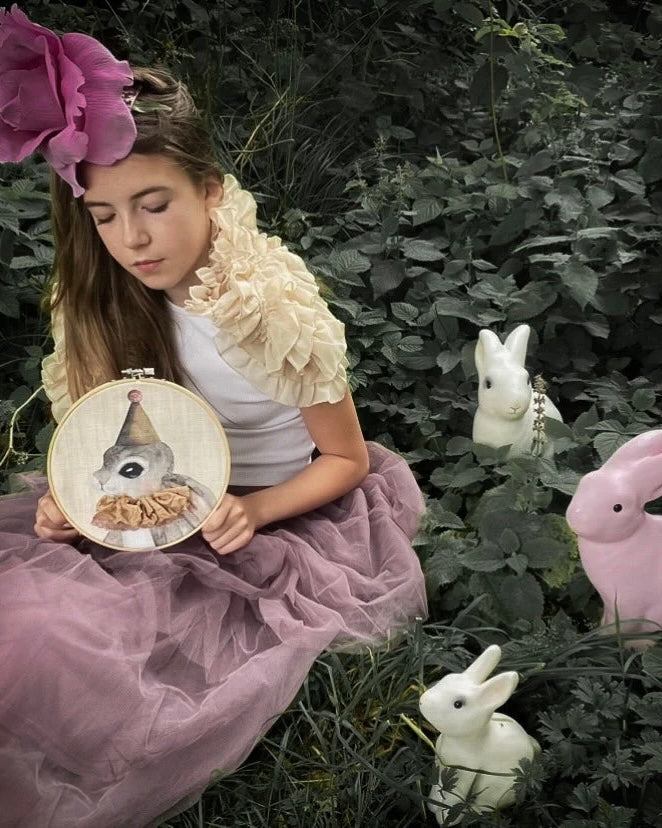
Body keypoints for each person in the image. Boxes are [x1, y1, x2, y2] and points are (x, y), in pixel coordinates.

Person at [0, 6, 427, 826]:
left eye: (154, 203)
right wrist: (69, 504)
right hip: (150, 502)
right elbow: (104, 435)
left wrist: (255, 512)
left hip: (268, 519)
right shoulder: (102, 300)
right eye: (105, 216)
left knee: (71, 645)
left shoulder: (268, 309)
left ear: (210, 190)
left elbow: (347, 460)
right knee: (24, 613)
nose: (133, 238)